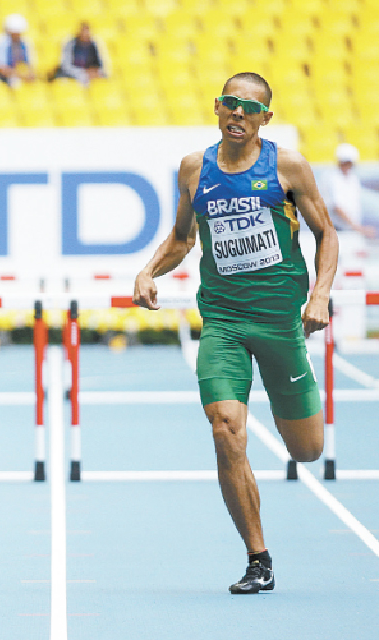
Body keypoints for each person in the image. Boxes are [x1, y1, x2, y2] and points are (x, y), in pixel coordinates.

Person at [132, 72, 338, 595]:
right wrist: (148, 271)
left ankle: (295, 397)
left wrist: (319, 295)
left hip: (280, 321)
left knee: (308, 450)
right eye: (230, 103)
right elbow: (182, 238)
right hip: (222, 320)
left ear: (265, 117)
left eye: (249, 107)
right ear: (217, 107)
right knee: (225, 428)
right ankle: (257, 558)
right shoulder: (193, 169)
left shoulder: (288, 166)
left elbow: (326, 233)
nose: (238, 113)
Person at [0, 13, 36, 86]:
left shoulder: (25, 43)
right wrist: (19, 75)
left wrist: (28, 74)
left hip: (14, 76)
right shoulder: (1, 42)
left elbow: (29, 65)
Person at [52, 21, 110, 85]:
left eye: (87, 33)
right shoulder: (69, 44)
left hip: (91, 74)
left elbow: (102, 66)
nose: (85, 35)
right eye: (83, 32)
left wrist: (94, 72)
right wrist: (83, 72)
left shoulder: (96, 44)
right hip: (73, 75)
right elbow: (66, 66)